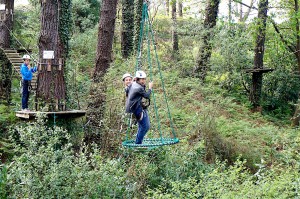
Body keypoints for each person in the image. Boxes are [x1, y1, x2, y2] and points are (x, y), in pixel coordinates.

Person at [125, 70, 153, 144]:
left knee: (142, 126)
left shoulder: (133, 84)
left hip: (134, 108)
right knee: (145, 127)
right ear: (138, 79)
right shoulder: (138, 87)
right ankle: (138, 143)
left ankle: (138, 142)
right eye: (142, 79)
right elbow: (147, 96)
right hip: (137, 109)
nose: (144, 81)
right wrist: (150, 88)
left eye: (144, 79)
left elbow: (127, 90)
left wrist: (134, 81)